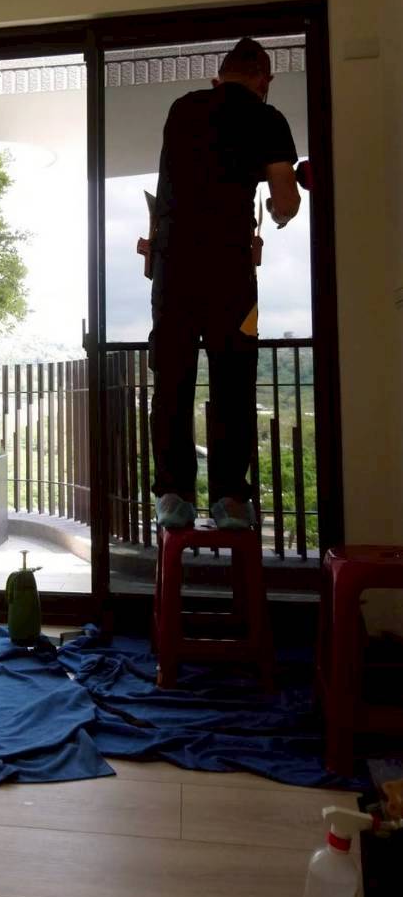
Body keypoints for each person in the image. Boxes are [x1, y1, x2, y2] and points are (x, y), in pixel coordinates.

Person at [149, 37, 300, 531]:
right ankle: (231, 499)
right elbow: (285, 201)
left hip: (173, 267)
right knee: (233, 380)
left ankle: (174, 495)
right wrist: (279, 208)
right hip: (229, 271)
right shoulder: (268, 118)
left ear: (219, 76)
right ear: (263, 79)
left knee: (173, 377)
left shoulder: (182, 109)